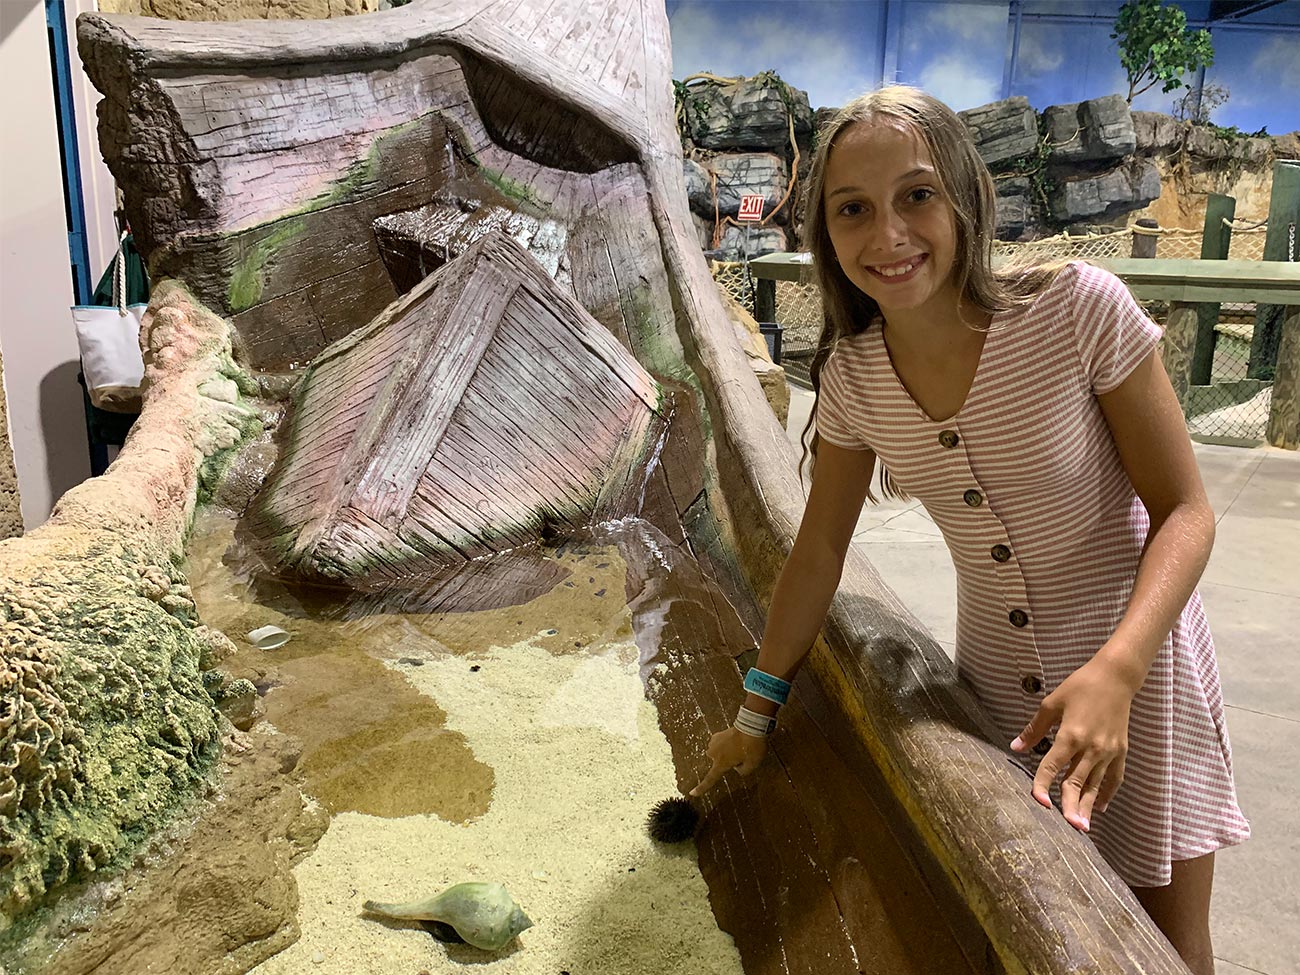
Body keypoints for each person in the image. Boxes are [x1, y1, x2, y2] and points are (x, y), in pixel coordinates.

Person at [689, 86, 1248, 975]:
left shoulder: (1078, 311)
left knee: (1164, 949)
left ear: (964, 195)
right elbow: (819, 551)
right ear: (825, 233)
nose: (889, 235)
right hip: (999, 692)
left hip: (1142, 674)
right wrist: (756, 713)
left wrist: (1119, 669)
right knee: (1038, 926)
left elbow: (1186, 509)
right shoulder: (856, 377)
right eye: (853, 210)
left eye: (917, 195)